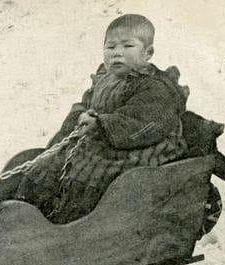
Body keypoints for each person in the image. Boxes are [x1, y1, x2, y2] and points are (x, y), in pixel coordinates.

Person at [15, 14, 189, 223]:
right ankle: (27, 215)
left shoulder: (155, 87)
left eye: (127, 46)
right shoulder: (105, 79)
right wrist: (80, 116)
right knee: (48, 164)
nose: (117, 53)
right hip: (103, 139)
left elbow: (144, 122)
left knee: (90, 175)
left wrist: (102, 124)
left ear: (147, 53)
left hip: (137, 147)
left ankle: (74, 226)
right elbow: (86, 103)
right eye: (111, 47)